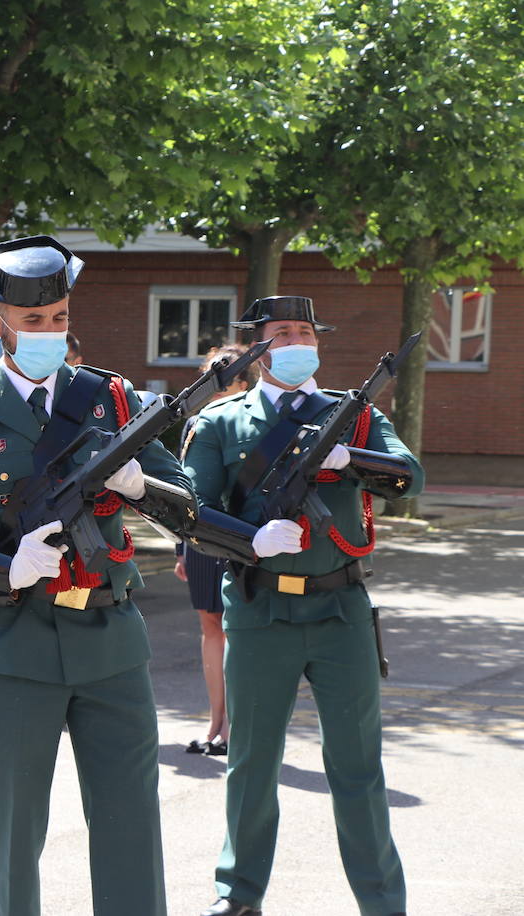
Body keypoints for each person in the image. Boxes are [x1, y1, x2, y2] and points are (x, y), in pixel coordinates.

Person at [0, 236, 193, 916]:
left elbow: (188, 507)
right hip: (14, 646)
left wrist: (139, 484)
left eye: (59, 318)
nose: (48, 333)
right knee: (13, 830)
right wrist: (8, 566)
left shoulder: (113, 401)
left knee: (129, 824)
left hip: (110, 641)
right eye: (34, 322)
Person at [181, 296, 422, 916]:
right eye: (281, 333)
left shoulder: (353, 414)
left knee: (357, 767)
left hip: (341, 609)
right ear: (258, 347)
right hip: (261, 612)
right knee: (252, 765)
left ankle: (381, 901)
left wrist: (353, 459)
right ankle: (238, 895)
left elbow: (408, 476)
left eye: (306, 332)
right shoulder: (220, 422)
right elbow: (193, 515)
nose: (296, 342)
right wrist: (250, 540)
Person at [174, 342, 257, 757]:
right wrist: (179, 549)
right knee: (210, 626)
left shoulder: (249, 423)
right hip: (202, 542)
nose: (214, 388)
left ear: (244, 382)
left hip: (240, 536)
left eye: (223, 380)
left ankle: (236, 725)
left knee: (235, 627)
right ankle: (216, 721)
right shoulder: (196, 424)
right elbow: (183, 491)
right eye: (209, 379)